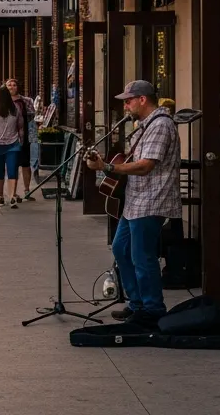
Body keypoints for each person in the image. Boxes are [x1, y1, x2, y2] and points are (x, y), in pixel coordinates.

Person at [85, 80, 181, 327]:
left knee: (142, 256)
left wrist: (108, 167)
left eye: (128, 101)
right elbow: (133, 159)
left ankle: (152, 309)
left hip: (152, 200)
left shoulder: (160, 125)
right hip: (135, 200)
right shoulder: (144, 125)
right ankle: (137, 303)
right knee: (121, 248)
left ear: (142, 99)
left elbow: (145, 165)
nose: (125, 106)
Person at [6, 78, 36, 201]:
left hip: (24, 137)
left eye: (14, 85)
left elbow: (31, 116)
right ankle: (13, 192)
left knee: (25, 163)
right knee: (12, 165)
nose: (12, 87)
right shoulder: (3, 102)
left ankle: (27, 190)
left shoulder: (26, 101)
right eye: (9, 85)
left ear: (18, 87)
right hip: (8, 138)